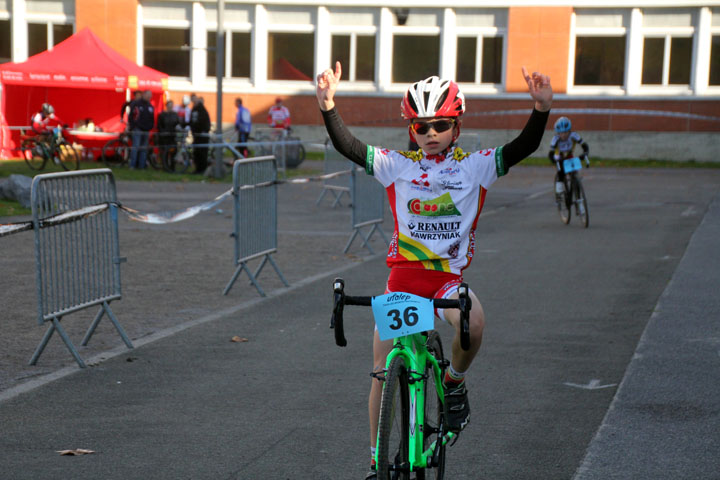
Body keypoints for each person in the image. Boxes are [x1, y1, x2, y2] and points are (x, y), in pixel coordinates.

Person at [316, 62, 552, 479]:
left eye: (439, 125)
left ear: (455, 128)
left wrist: (540, 109)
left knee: (474, 323)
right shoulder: (397, 166)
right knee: (381, 368)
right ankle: (375, 462)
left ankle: (454, 381)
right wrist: (328, 106)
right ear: (411, 129)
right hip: (403, 279)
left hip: (446, 280)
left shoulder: (475, 167)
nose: (429, 134)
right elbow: (351, 147)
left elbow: (521, 148)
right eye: (420, 127)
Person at [548, 116, 590, 197]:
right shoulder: (555, 138)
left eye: (566, 132)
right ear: (558, 133)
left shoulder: (574, 135)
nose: (563, 135)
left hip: (569, 155)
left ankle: (577, 193)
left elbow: (584, 145)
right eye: (561, 133)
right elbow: (551, 152)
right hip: (559, 156)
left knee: (574, 172)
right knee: (561, 172)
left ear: (569, 131)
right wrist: (553, 159)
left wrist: (585, 152)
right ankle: (559, 189)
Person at [128, 90, 155, 169]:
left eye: (150, 96)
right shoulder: (136, 104)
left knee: (143, 148)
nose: (149, 97)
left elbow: (152, 118)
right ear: (144, 95)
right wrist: (133, 126)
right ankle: (132, 165)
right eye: (148, 95)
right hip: (138, 129)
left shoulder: (150, 106)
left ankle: (141, 166)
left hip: (146, 130)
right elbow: (131, 116)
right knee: (136, 147)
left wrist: (150, 127)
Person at [189, 96, 211, 174]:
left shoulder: (200, 111)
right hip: (198, 135)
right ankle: (199, 169)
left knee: (201, 153)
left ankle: (200, 169)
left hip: (200, 136)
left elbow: (202, 123)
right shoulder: (198, 110)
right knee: (198, 153)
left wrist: (201, 131)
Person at [157, 99, 181, 168]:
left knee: (173, 151)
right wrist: (163, 132)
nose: (170, 107)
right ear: (166, 106)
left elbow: (177, 124)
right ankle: (165, 166)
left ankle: (172, 166)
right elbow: (159, 125)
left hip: (172, 136)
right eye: (169, 105)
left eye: (171, 105)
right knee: (165, 152)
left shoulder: (175, 115)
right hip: (165, 136)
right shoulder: (162, 115)